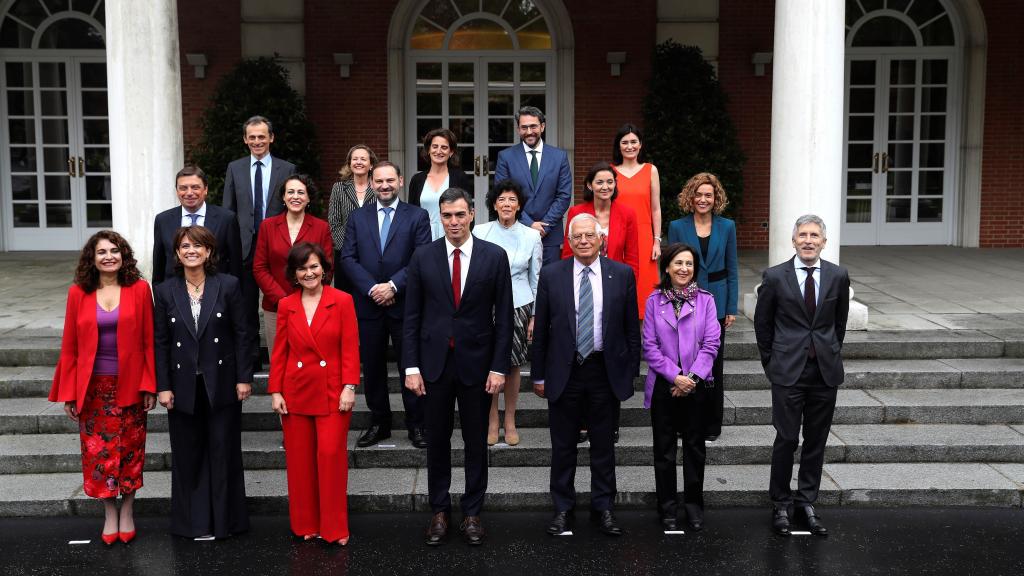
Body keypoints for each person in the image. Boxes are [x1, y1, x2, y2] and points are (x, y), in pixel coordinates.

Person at [403, 187, 513, 546]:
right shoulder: (423, 257)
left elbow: (505, 317)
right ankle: (439, 510)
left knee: (475, 442)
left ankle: (472, 513)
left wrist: (499, 367)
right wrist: (411, 367)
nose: (453, 222)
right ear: (441, 218)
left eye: (460, 215)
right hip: (433, 367)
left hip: (478, 366)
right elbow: (412, 317)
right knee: (437, 440)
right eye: (447, 216)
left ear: (471, 216)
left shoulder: (494, 257)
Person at [531, 213, 641, 537]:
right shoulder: (552, 275)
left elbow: (630, 328)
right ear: (568, 240)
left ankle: (603, 508)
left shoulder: (622, 274)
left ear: (600, 239)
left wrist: (630, 370)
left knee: (603, 446)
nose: (582, 241)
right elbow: (542, 334)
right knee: (563, 446)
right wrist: (538, 375)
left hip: (604, 370)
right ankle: (563, 509)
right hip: (564, 371)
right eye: (576, 236)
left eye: (588, 236)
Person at [49, 230, 156, 545]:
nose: (109, 256)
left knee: (130, 452)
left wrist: (150, 385)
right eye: (102, 252)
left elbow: (149, 343)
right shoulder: (77, 293)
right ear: (91, 259)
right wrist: (68, 391)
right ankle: (110, 512)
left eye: (115, 251)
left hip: (131, 385)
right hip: (93, 389)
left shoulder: (139, 290)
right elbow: (69, 346)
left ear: (123, 256)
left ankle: (128, 511)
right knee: (99, 457)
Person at [154, 225, 255, 539]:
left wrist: (244, 378)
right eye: (185, 246)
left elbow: (243, 334)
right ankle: (193, 524)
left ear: (209, 251)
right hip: (182, 385)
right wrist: (163, 385)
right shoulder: (165, 290)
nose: (191, 251)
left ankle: (226, 523)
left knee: (223, 451)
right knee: (188, 454)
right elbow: (160, 342)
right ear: (177, 254)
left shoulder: (228, 285)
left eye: (197, 246)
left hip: (221, 382)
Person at [754, 215, 850, 537]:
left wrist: (830, 351)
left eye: (815, 236)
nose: (808, 240)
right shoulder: (775, 277)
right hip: (787, 371)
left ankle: (806, 501)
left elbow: (839, 324)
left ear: (824, 241)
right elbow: (762, 325)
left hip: (824, 370)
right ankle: (780, 503)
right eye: (803, 235)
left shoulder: (838, 276)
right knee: (787, 438)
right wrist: (772, 363)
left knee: (816, 441)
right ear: (793, 240)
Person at [269, 242, 360, 545]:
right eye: (302, 268)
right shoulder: (286, 304)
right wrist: (275, 391)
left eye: (313, 267)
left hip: (333, 391)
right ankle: (306, 523)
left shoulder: (342, 300)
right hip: (295, 391)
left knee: (331, 457)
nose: (309, 273)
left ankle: (335, 528)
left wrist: (350, 386)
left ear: (323, 269)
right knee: (299, 462)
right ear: (294, 274)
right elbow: (280, 352)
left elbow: (350, 347)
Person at [340, 161, 431, 449]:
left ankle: (417, 424)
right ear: (371, 184)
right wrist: (372, 289)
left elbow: (421, 257)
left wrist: (392, 286)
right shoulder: (357, 217)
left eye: (390, 180)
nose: (384, 186)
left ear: (400, 181)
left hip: (404, 304)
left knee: (411, 366)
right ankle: (379, 423)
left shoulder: (417, 216)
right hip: (368, 306)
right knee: (374, 367)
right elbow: (348, 259)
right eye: (378, 181)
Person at [641, 243, 720, 532]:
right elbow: (649, 347)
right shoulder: (653, 301)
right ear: (667, 267)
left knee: (694, 449)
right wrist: (675, 377)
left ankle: (694, 507)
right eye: (677, 263)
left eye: (688, 264)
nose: (683, 269)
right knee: (663, 452)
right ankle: (667, 508)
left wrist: (691, 379)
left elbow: (712, 344)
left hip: (696, 387)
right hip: (665, 386)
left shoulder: (707, 301)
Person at [667, 173, 739, 442]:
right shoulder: (677, 226)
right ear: (691, 196)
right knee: (683, 361)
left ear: (716, 198)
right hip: (684, 301)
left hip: (717, 303)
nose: (703, 199)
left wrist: (731, 306)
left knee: (713, 365)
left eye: (708, 195)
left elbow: (732, 267)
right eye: (699, 194)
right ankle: (682, 423)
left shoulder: (727, 226)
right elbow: (673, 266)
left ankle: (711, 424)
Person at [222, 115, 297, 364]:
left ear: (271, 138)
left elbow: (292, 207)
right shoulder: (235, 168)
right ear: (245, 140)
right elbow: (228, 210)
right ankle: (251, 356)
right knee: (244, 305)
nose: (257, 141)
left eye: (261, 136)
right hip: (244, 245)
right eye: (252, 137)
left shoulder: (286, 169)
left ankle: (283, 353)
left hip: (276, 246)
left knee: (278, 298)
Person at [473, 179, 542, 446]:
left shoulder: (531, 235)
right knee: (488, 362)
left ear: (519, 205)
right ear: (493, 203)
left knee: (513, 365)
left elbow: (537, 277)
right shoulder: (479, 231)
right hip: (485, 305)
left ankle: (510, 419)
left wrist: (535, 315)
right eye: (501, 199)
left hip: (519, 303)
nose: (506, 204)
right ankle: (492, 418)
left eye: (512, 199)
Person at [253, 174, 333, 352]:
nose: (295, 196)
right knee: (279, 363)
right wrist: (282, 300)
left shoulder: (321, 228)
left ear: (308, 198)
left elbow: (327, 268)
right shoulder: (267, 226)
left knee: (309, 360)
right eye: (290, 192)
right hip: (276, 308)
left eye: (300, 192)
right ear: (283, 197)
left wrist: (305, 297)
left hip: (311, 306)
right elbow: (259, 267)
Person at [493, 106, 573, 265]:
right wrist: (529, 224)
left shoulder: (559, 157)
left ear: (542, 126)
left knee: (549, 283)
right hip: (516, 231)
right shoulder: (506, 157)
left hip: (549, 235)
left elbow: (564, 195)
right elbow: (503, 196)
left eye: (533, 126)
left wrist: (544, 226)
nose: (529, 131)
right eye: (524, 127)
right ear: (518, 129)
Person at [153, 166, 243, 285]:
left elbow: (236, 265)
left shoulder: (226, 219)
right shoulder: (163, 220)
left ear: (205, 189)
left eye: (195, 187)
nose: (189, 193)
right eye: (183, 188)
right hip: (174, 295)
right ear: (177, 191)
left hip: (217, 294)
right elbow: (159, 266)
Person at [611, 123, 663, 317]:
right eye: (625, 142)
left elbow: (656, 209)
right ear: (618, 146)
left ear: (640, 145)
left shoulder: (651, 170)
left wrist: (657, 240)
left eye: (634, 142)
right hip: (617, 233)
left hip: (643, 236)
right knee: (616, 284)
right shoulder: (610, 172)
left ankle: (644, 341)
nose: (630, 146)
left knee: (644, 291)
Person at [562, 162, 639, 282]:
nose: (605, 187)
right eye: (599, 182)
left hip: (616, 278)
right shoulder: (576, 212)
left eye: (610, 182)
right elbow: (568, 252)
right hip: (583, 277)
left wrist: (630, 285)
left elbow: (632, 257)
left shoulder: (627, 213)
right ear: (589, 185)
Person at [327, 144, 378, 290]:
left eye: (363, 159)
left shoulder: (379, 188)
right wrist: (348, 248)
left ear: (371, 164)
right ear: (350, 163)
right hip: (345, 254)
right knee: (346, 297)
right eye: (355, 159)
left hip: (374, 253)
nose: (359, 162)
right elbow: (334, 222)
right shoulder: (339, 188)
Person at [408, 128, 474, 241]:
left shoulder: (460, 177)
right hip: (423, 237)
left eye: (444, 147)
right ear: (428, 150)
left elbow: (467, 212)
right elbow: (411, 215)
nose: (439, 151)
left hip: (453, 237)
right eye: (435, 146)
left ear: (451, 152)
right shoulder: (417, 180)